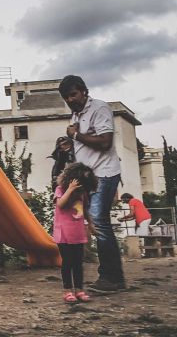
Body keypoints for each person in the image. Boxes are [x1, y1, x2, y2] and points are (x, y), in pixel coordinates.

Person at [58, 75, 125, 293]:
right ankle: (111, 276)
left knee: (99, 222)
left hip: (104, 173)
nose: (71, 99)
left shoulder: (99, 108)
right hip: (89, 177)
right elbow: (85, 142)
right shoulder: (76, 113)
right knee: (94, 223)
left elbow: (105, 142)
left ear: (84, 91)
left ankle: (112, 278)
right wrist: (72, 142)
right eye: (67, 97)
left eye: (74, 94)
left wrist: (76, 134)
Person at [53, 162, 97, 304]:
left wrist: (91, 225)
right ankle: (67, 291)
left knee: (78, 263)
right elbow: (60, 204)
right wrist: (70, 189)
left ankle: (79, 290)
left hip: (78, 233)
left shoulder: (82, 194)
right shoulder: (60, 190)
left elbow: (84, 210)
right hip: (63, 234)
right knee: (67, 262)